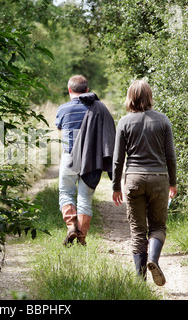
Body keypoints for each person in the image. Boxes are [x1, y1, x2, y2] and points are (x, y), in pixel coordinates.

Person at [112, 80, 177, 286]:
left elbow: (117, 159)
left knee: (137, 231)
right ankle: (153, 259)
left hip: (134, 179)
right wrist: (173, 183)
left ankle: (140, 283)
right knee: (158, 225)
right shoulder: (163, 120)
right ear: (149, 97)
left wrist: (115, 186)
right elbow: (171, 157)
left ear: (130, 97)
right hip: (159, 179)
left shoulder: (124, 122)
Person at [56, 75, 116, 246]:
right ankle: (81, 237)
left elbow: (59, 127)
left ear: (69, 90)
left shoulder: (63, 109)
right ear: (87, 90)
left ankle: (71, 227)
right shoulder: (97, 109)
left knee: (66, 193)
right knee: (85, 198)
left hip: (70, 157)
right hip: (92, 159)